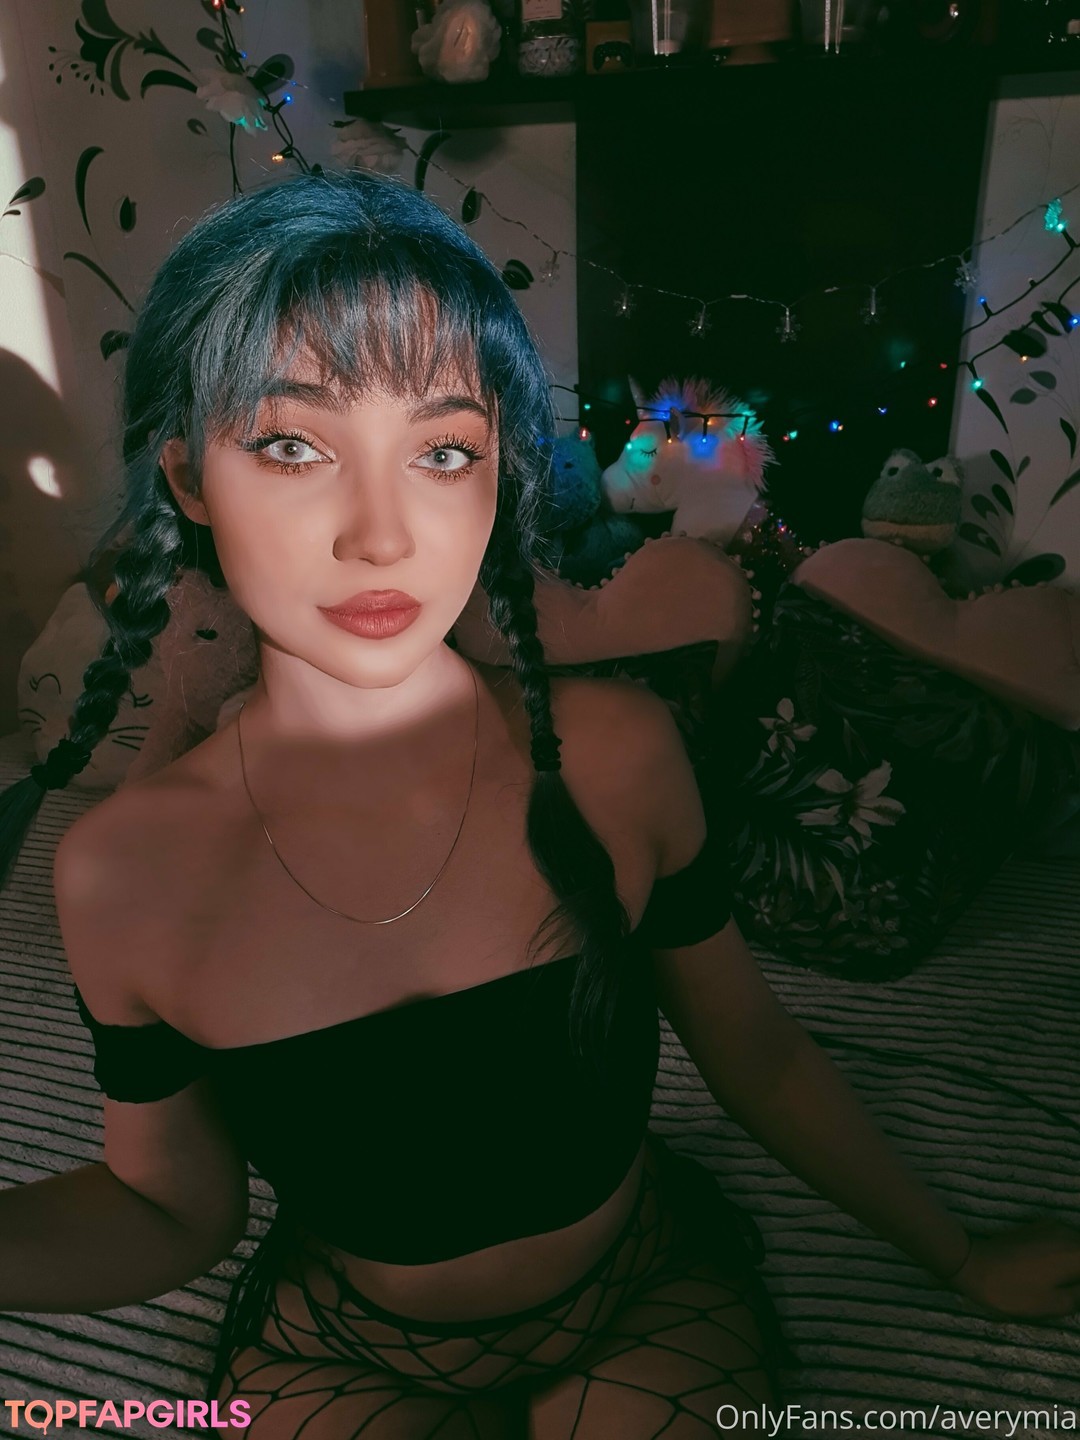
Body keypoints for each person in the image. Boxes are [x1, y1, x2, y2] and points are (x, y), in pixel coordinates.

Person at [1, 169, 1078, 1440]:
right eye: (294, 446)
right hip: (342, 1338)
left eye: (443, 451)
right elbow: (169, 1208)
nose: (382, 535)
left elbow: (759, 1052)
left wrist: (959, 1254)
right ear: (189, 479)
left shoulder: (613, 758)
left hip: (637, 1298)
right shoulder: (122, 871)